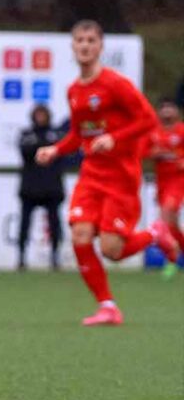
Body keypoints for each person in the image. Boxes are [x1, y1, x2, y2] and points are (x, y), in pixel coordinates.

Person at [36, 20, 179, 326]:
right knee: (80, 234)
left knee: (112, 250)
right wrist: (56, 149)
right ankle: (107, 306)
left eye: (91, 40)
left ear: (100, 46)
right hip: (92, 174)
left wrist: (115, 138)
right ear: (73, 47)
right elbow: (78, 134)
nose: (85, 46)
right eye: (80, 41)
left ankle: (155, 232)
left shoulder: (116, 84)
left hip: (121, 176)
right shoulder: (74, 91)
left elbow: (147, 121)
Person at [16, 104, 65, 269]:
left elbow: (61, 152)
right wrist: (45, 146)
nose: (40, 118)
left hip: (51, 187)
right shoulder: (26, 134)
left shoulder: (56, 133)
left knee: (54, 223)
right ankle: (21, 256)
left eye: (43, 114)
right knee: (25, 223)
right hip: (30, 187)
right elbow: (26, 152)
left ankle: (55, 256)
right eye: (38, 114)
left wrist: (44, 147)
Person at [143, 98, 184, 278]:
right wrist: (154, 153)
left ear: (177, 112)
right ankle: (178, 253)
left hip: (178, 180)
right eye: (163, 108)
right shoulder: (153, 132)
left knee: (165, 217)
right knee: (171, 224)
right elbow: (142, 151)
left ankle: (172, 259)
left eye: (170, 108)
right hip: (162, 181)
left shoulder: (182, 130)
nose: (167, 111)